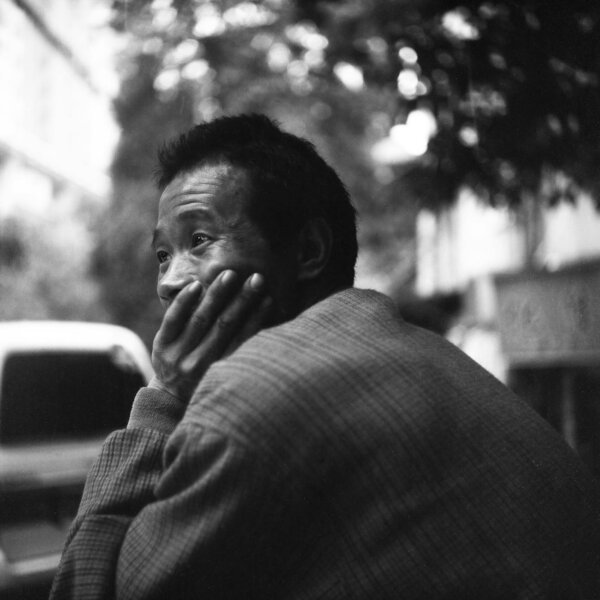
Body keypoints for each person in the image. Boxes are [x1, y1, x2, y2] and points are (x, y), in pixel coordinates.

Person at [51, 114, 600, 599]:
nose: (170, 281)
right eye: (163, 254)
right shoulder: (426, 353)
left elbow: (86, 587)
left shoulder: (255, 392)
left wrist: (165, 395)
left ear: (309, 251)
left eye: (200, 240)